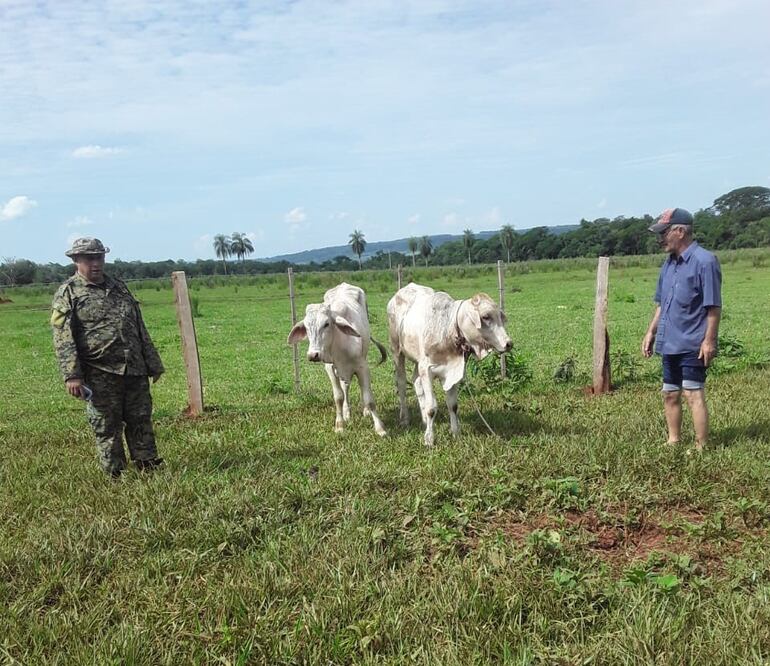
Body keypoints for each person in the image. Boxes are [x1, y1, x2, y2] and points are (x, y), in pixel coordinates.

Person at [51, 237, 165, 477]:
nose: (96, 263)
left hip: (133, 368)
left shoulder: (119, 287)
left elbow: (138, 326)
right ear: (76, 260)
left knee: (140, 418)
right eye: (89, 259)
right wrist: (72, 375)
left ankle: (147, 463)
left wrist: (152, 362)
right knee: (106, 425)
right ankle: (116, 472)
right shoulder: (68, 293)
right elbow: (63, 337)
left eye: (99, 257)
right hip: (99, 371)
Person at [641, 208, 722, 452]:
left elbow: (713, 307)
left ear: (679, 231)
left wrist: (709, 341)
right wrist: (651, 332)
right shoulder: (668, 264)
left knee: (692, 393)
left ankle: (701, 446)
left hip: (693, 342)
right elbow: (661, 303)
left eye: (663, 233)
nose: (660, 239)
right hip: (670, 341)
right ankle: (673, 440)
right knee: (669, 393)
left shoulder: (705, 261)